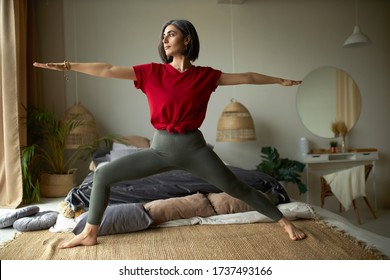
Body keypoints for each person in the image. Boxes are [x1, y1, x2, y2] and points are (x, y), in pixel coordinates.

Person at [34, 19, 306, 249]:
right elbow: (107, 69)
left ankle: (284, 222)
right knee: (103, 174)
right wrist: (68, 65)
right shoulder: (151, 72)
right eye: (163, 36)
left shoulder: (205, 76)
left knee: (236, 187)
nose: (165, 40)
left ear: (187, 40)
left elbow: (246, 77)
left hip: (195, 149)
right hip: (160, 148)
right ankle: (90, 233)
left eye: (171, 34)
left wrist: (278, 80)